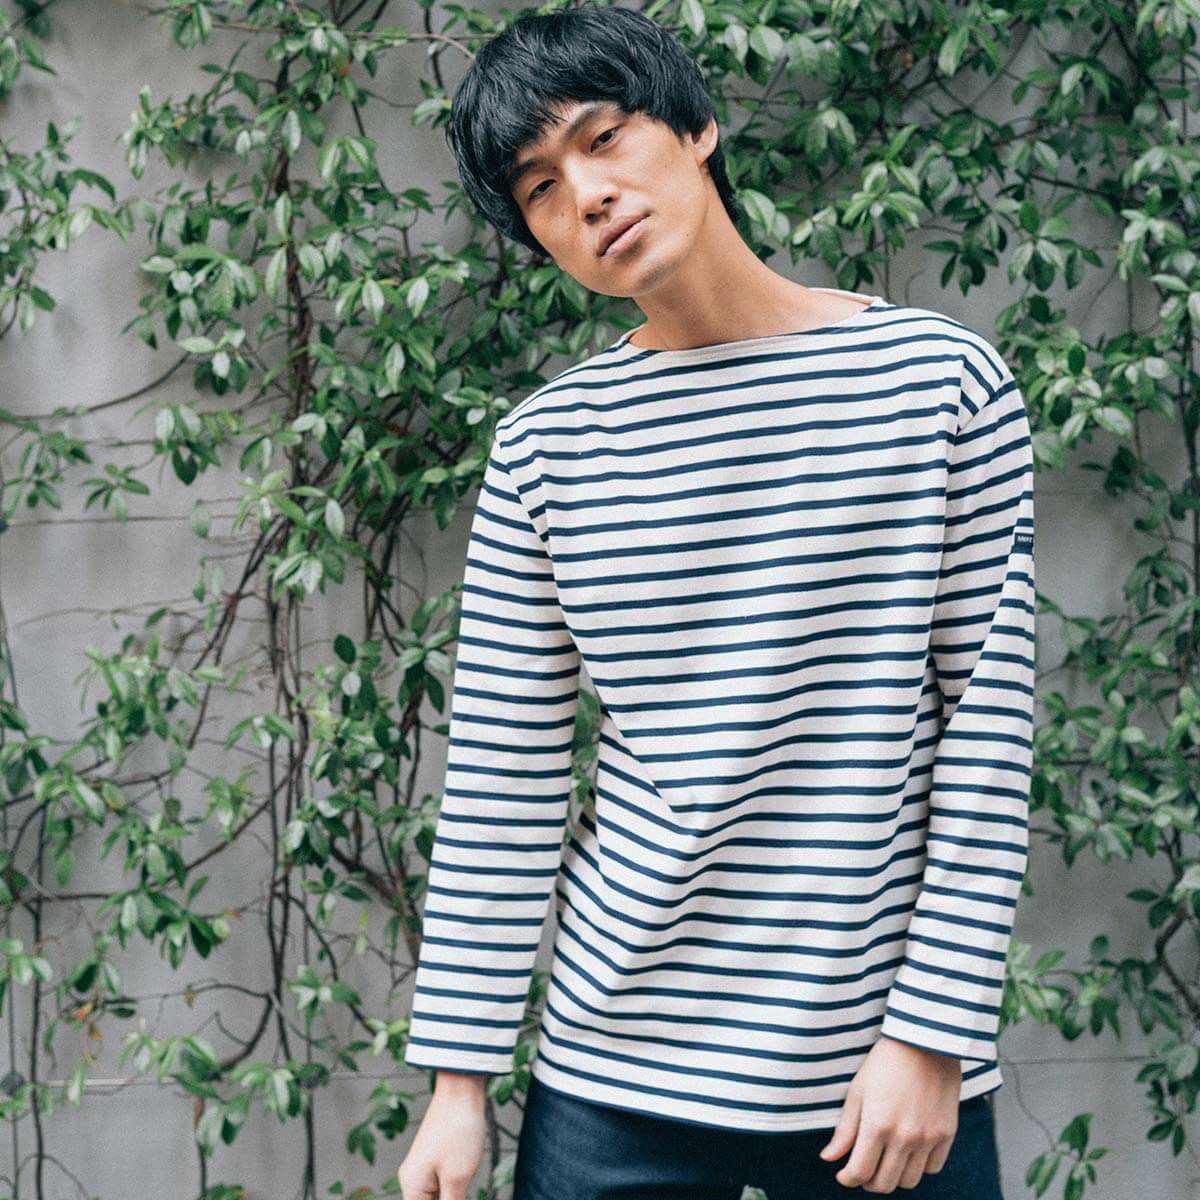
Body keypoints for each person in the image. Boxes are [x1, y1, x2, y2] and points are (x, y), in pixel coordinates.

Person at [397, 5, 1034, 1199]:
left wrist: (932, 1036)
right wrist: (458, 1088)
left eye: (604, 139)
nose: (586, 195)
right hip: (615, 1070)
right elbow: (503, 778)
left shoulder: (938, 385)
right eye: (540, 189)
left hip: (881, 1072)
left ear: (696, 127)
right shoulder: (547, 451)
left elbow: (985, 733)